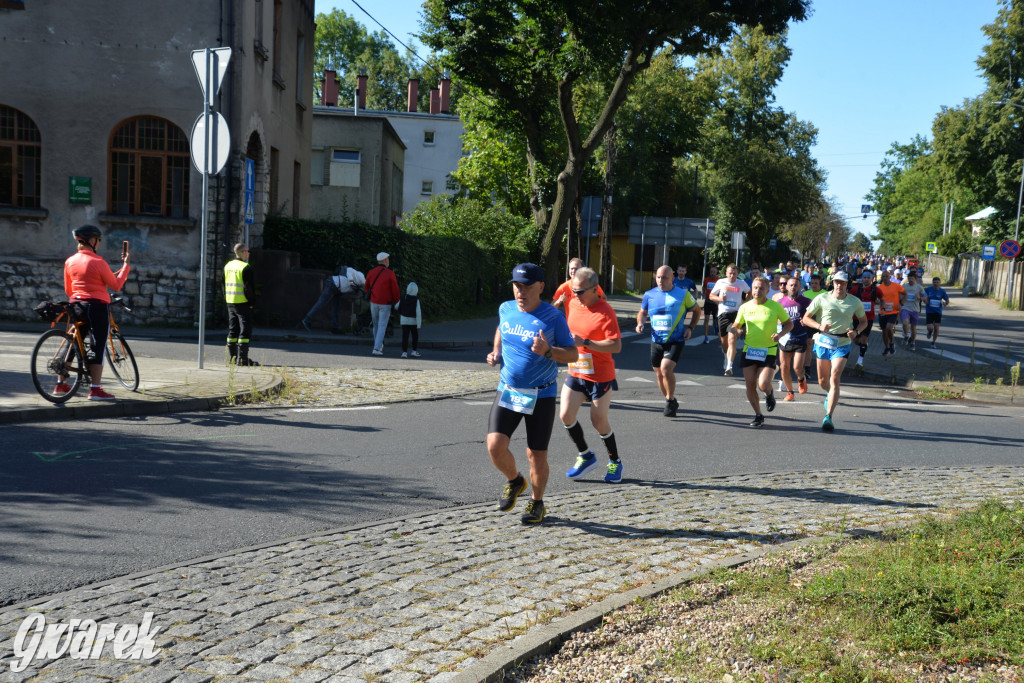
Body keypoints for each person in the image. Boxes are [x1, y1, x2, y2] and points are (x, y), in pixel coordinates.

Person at [486, 263, 577, 525]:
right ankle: (515, 481)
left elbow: (573, 353)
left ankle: (537, 503)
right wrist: (497, 352)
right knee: (494, 446)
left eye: (526, 287)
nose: (520, 292)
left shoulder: (553, 318)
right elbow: (501, 328)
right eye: (516, 286)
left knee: (536, 454)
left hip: (541, 394)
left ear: (540, 287)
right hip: (509, 390)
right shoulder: (506, 308)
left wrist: (548, 351)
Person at [559, 267, 624, 483]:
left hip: (600, 375)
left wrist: (586, 343)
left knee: (598, 421)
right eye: (573, 291)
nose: (575, 296)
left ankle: (614, 461)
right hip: (576, 370)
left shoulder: (605, 311)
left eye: (580, 292)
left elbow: (616, 346)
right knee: (566, 415)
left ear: (595, 289)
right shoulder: (574, 305)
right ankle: (586, 456)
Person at [63, 224, 131, 400]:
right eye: (98, 240)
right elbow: (116, 285)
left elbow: (68, 290)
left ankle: (60, 384)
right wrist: (125, 266)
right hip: (96, 307)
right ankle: (95, 389)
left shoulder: (69, 261)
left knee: (73, 343)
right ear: (92, 241)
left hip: (76, 305)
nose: (98, 243)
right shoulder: (98, 262)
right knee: (98, 345)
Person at [801, 270, 867, 432]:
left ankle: (828, 416)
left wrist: (856, 332)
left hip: (843, 342)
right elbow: (806, 318)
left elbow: (864, 321)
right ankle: (830, 395)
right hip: (824, 341)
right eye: (837, 282)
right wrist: (819, 326)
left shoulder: (854, 302)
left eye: (843, 283)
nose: (839, 285)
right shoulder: (822, 298)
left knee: (835, 375)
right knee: (823, 381)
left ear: (847, 285)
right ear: (833, 283)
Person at [636, 265, 702, 417]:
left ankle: (669, 399)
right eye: (658, 277)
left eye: (664, 277)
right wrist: (640, 323)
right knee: (659, 374)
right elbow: (642, 312)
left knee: (666, 369)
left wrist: (690, 328)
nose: (660, 280)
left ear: (672, 278)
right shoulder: (649, 294)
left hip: (676, 339)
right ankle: (670, 400)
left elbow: (697, 311)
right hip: (656, 340)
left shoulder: (683, 294)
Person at [730, 277, 792, 428]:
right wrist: (736, 330)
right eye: (755, 288)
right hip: (749, 350)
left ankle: (769, 394)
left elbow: (789, 324)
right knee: (750, 384)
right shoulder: (745, 307)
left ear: (767, 290)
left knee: (763, 384)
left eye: (761, 288)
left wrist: (780, 335)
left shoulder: (775, 307)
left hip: (768, 350)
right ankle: (758, 415)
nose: (757, 291)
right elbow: (733, 326)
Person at [300, 262, 366, 333]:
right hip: (332, 284)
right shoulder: (361, 277)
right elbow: (349, 269)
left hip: (338, 289)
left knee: (336, 308)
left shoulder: (361, 287)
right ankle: (307, 320)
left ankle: (335, 328)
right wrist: (351, 282)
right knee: (321, 303)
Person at [709, 264, 750, 376]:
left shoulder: (741, 283)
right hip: (723, 314)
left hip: (736, 314)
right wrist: (720, 299)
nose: (732, 275)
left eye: (734, 273)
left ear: (737, 274)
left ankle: (729, 366)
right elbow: (711, 296)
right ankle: (725, 355)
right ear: (726, 273)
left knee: (732, 339)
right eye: (730, 273)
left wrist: (745, 302)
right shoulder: (721, 282)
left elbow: (749, 291)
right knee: (724, 342)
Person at [775, 275, 812, 400]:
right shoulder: (780, 303)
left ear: (800, 287)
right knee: (784, 367)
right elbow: (774, 318)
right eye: (791, 285)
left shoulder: (806, 301)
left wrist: (806, 321)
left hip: (800, 337)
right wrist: (777, 322)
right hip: (785, 338)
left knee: (797, 367)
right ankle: (790, 392)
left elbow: (814, 317)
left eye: (796, 285)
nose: (793, 287)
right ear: (786, 286)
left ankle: (801, 379)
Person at [224, 242, 259, 367]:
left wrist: (227, 298)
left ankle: (233, 359)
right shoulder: (245, 268)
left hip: (230, 302)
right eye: (248, 251)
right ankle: (242, 359)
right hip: (243, 303)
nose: (249, 253)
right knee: (245, 330)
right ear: (242, 252)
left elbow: (223, 284)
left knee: (233, 329)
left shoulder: (228, 266)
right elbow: (249, 288)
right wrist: (251, 303)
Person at [365, 252, 400, 356]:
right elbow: (395, 289)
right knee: (382, 325)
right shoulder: (390, 273)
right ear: (385, 260)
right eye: (388, 259)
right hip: (385, 303)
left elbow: (366, 286)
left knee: (375, 325)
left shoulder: (371, 272)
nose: (388, 261)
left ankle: (378, 345)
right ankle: (377, 348)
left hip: (373, 302)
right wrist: (397, 300)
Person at [848, 270, 877, 370]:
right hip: (857, 318)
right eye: (864, 277)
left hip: (869, 318)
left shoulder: (875, 289)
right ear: (862, 279)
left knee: (864, 339)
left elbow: (882, 299)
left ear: (872, 279)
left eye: (868, 277)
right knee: (856, 340)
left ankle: (859, 361)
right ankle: (864, 346)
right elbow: (848, 297)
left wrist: (883, 308)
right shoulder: (856, 288)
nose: (866, 279)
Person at [874, 268, 905, 356]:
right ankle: (887, 347)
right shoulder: (879, 288)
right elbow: (876, 299)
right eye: (883, 276)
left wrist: (901, 303)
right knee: (884, 331)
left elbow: (905, 294)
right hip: (882, 312)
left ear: (890, 277)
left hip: (893, 311)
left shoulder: (896, 286)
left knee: (889, 328)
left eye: (886, 276)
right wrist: (877, 301)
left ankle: (892, 342)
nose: (885, 278)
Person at [899, 270, 925, 350]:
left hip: (915, 309)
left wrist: (920, 298)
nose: (910, 280)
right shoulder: (904, 286)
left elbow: (926, 298)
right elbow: (899, 295)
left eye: (912, 278)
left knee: (913, 328)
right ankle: (906, 336)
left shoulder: (919, 288)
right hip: (905, 308)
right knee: (905, 322)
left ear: (915, 279)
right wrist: (900, 300)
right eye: (909, 278)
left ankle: (913, 342)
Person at [396, 282, 422, 358]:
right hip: (413, 321)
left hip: (404, 320)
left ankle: (404, 352)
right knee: (415, 336)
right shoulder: (416, 300)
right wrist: (419, 324)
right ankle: (414, 351)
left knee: (405, 336)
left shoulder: (404, 297)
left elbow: (397, 306)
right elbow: (418, 313)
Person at [924, 277, 950, 348]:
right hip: (929, 311)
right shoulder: (928, 289)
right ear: (932, 283)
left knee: (936, 327)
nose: (935, 284)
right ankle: (929, 332)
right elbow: (924, 297)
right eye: (934, 282)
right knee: (930, 327)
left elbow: (947, 300)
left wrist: (945, 303)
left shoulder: (942, 291)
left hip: (938, 311)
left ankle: (933, 342)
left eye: (937, 282)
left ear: (940, 283)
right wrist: (925, 301)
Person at [701, 265, 719, 343]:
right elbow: (703, 287)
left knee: (715, 319)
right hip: (708, 301)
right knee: (706, 319)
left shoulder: (719, 280)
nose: (712, 273)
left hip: (715, 302)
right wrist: (703, 293)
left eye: (714, 272)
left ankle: (715, 327)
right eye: (711, 272)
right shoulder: (706, 280)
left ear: (716, 273)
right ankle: (706, 337)